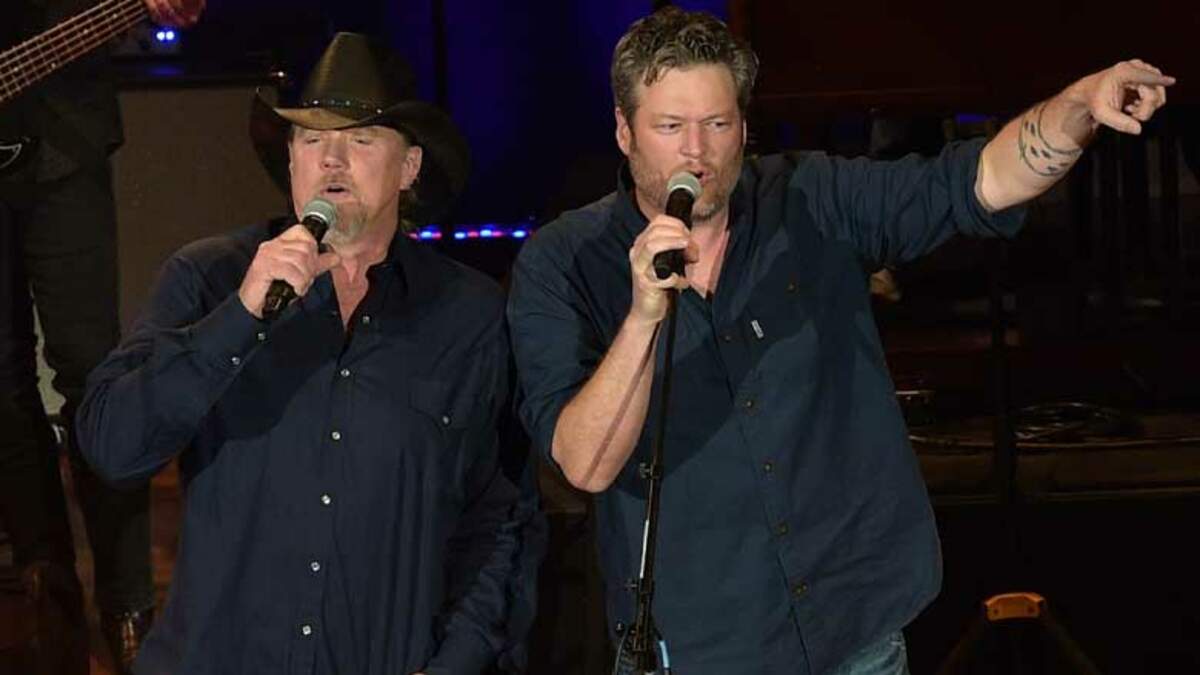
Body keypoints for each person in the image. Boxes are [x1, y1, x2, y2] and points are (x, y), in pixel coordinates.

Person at [506, 7, 1171, 674]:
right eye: (670, 127)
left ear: (744, 127)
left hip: (854, 633)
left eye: (718, 124)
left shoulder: (812, 196)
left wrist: (1078, 106)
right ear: (624, 131)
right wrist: (644, 317)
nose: (696, 153)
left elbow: (977, 182)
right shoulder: (563, 262)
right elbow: (585, 465)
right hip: (699, 648)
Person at [76, 32, 540, 674]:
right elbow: (113, 446)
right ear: (291, 162)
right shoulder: (210, 278)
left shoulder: (468, 314)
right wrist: (239, 318)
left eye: (360, 139)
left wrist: (452, 663)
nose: (332, 161)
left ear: (409, 168)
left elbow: (501, 517)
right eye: (311, 140)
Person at [0, 0, 203, 672]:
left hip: (60, 118)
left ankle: (127, 604)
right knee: (1, 388)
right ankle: (48, 594)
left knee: (93, 372)